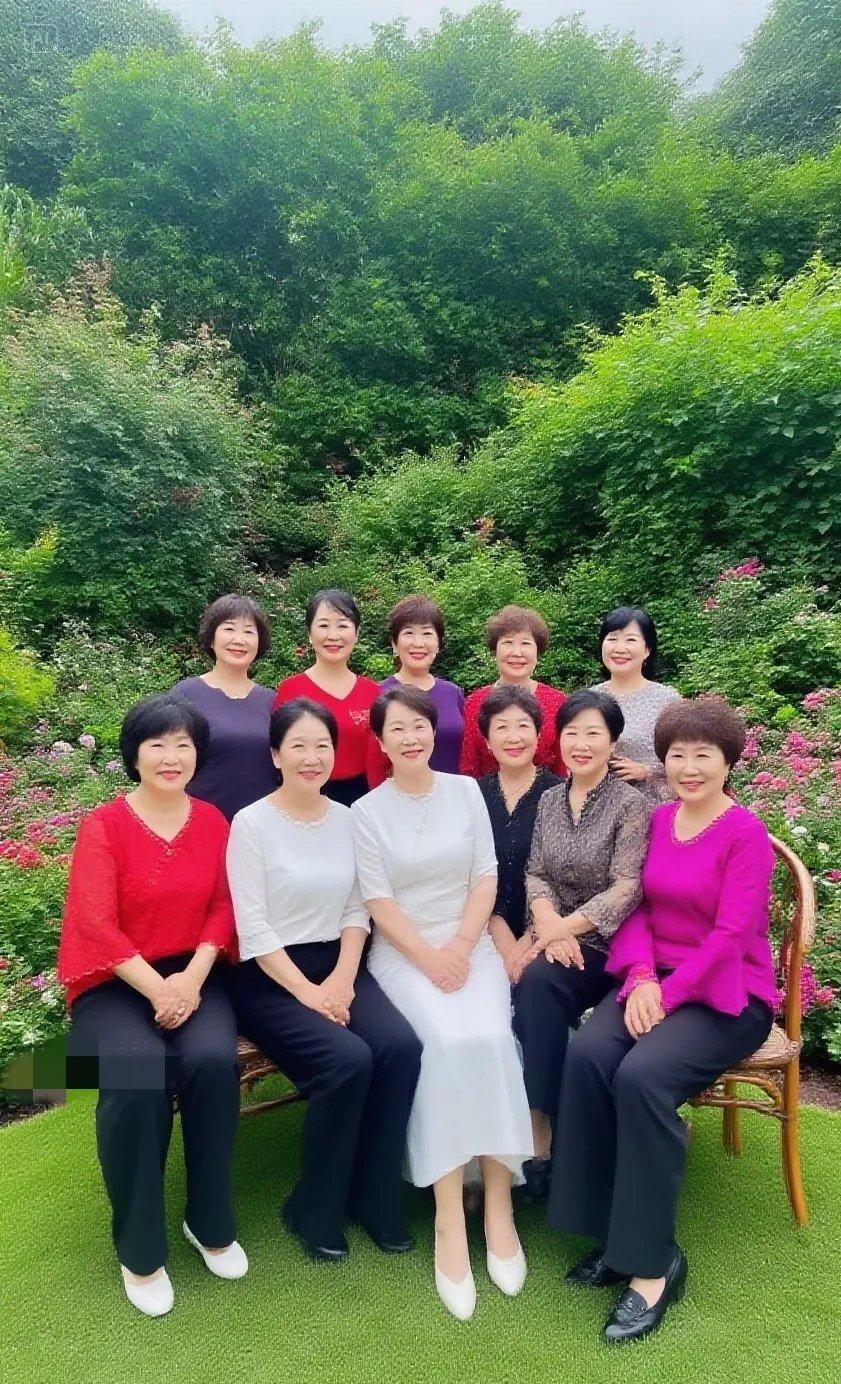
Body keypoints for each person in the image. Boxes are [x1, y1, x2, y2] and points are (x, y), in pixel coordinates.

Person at [549, 695, 777, 1345]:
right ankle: (613, 1236)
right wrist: (644, 978)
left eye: (703, 755)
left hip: (727, 995)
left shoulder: (745, 834)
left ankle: (652, 1265)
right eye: (677, 755)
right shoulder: (657, 818)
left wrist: (666, 995)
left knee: (642, 1077)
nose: (688, 767)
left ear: (728, 762)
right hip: (654, 981)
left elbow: (731, 936)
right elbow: (638, 909)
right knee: (588, 1056)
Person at [58, 694, 246, 1319]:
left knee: (212, 1063)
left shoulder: (213, 821)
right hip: (115, 982)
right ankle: (139, 1251)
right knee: (137, 1074)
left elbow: (223, 906)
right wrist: (159, 989)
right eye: (157, 744)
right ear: (133, 755)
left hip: (194, 974)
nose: (171, 756)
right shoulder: (104, 825)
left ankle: (208, 1220)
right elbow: (95, 923)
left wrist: (189, 980)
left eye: (183, 744)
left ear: (198, 754)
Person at [353, 686, 533, 1322]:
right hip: (405, 955)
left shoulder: (465, 792)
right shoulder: (366, 812)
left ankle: (500, 1207)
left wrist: (459, 946)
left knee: (490, 1037)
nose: (410, 738)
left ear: (437, 733)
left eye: (420, 726)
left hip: (470, 944)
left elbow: (485, 877)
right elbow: (378, 902)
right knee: (446, 1043)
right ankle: (449, 1217)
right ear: (380, 742)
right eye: (397, 729)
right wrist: (430, 958)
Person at [226, 698, 422, 1264]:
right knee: (346, 1061)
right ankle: (313, 1206)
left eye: (322, 746)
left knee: (400, 1047)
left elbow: (359, 907)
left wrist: (341, 977)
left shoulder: (348, 818)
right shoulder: (251, 823)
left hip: (339, 963)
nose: (312, 757)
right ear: (275, 755)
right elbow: (254, 927)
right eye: (299, 746)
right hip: (269, 976)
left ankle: (375, 1198)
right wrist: (310, 994)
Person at [513, 689, 651, 1202]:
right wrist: (548, 922)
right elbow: (536, 872)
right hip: (556, 935)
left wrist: (563, 929)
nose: (582, 743)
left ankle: (563, 1137)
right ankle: (541, 1129)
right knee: (535, 984)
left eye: (594, 733)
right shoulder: (550, 798)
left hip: (609, 942)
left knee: (542, 979)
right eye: (572, 732)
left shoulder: (631, 804)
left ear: (613, 742)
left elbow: (626, 887)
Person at [476, 685, 562, 980]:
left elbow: (565, 877)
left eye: (523, 726)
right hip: (480, 928)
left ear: (538, 735)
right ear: (487, 741)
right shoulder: (472, 794)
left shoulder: (560, 794)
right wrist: (501, 937)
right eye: (502, 727)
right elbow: (465, 874)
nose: (513, 737)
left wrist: (530, 938)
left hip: (548, 928)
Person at [172, 594, 277, 821]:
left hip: (261, 825)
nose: (239, 639)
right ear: (211, 638)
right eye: (229, 629)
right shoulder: (186, 695)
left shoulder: (272, 700)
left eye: (248, 631)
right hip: (199, 822)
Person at [273, 589, 380, 806]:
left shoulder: (372, 691)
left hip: (364, 799)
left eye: (342, 625)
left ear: (356, 633)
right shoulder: (290, 690)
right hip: (305, 796)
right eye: (323, 626)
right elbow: (279, 752)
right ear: (310, 634)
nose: (333, 636)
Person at [367, 595, 465, 787]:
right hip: (400, 797)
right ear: (394, 644)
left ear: (438, 643)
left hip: (452, 795)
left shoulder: (453, 693)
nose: (418, 643)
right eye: (409, 633)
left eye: (427, 633)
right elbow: (373, 765)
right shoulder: (379, 693)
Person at [459, 605, 566, 778]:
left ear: (538, 652)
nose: (517, 653)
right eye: (508, 642)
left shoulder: (557, 701)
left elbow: (561, 767)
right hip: (487, 794)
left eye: (526, 643)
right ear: (494, 650)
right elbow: (469, 768)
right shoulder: (474, 703)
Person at [592, 605, 680, 802]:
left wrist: (647, 771)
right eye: (612, 639)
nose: (619, 648)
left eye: (630, 640)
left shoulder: (667, 700)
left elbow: (688, 756)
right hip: (598, 804)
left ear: (647, 649)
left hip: (649, 804)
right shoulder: (589, 698)